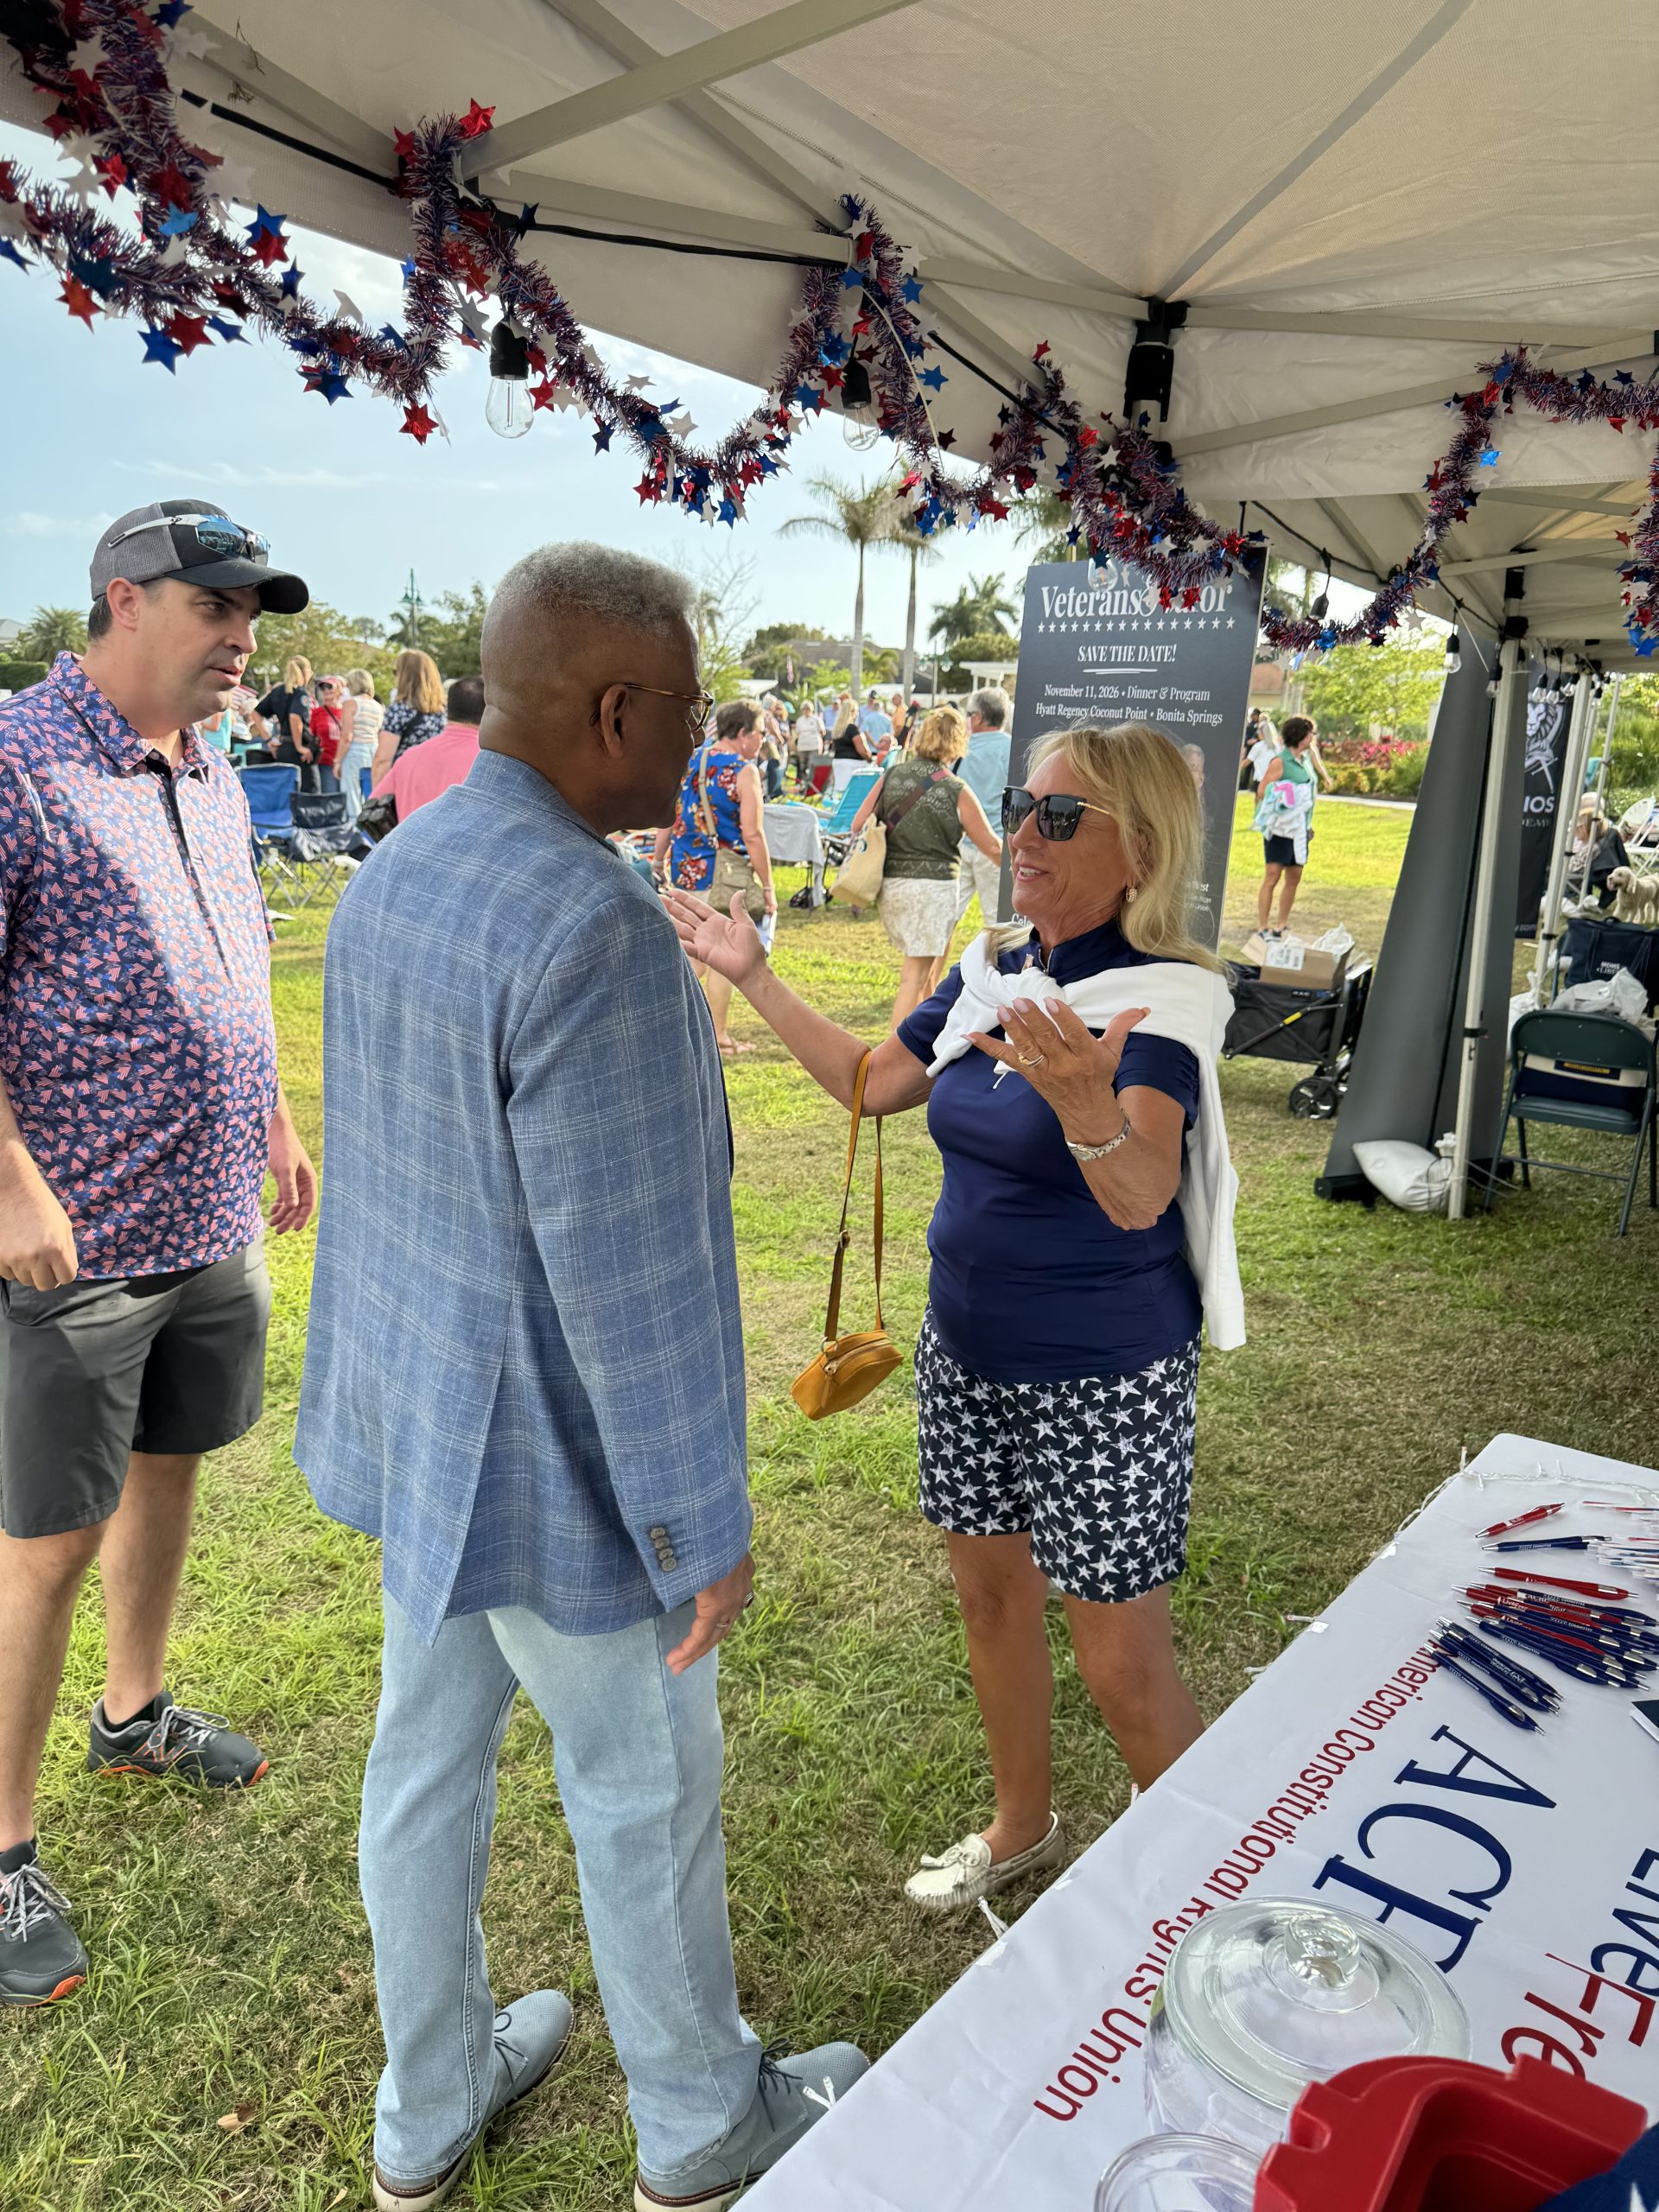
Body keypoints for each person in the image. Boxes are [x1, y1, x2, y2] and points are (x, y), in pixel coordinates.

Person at [294, 541, 865, 2212]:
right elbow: (642, 1282)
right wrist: (699, 1528)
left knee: (421, 1768)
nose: (702, 735)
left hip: (426, 1428)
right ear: (618, 710)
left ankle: (429, 2101)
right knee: (643, 1785)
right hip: (552, 1468)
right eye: (689, 705)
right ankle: (700, 2124)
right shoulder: (597, 926)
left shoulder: (400, 865)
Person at [667, 720, 1241, 1916]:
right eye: (1023, 805)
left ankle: (1215, 1909)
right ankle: (1021, 1823)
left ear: (1140, 849)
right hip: (966, 1352)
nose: (1023, 833)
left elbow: (1140, 1194)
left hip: (1102, 1376)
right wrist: (755, 974)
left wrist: (1088, 1104)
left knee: (1122, 1663)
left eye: (1060, 817)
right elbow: (874, 1081)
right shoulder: (998, 966)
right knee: (990, 1601)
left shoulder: (1163, 998)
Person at [0, 497, 318, 2008]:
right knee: (47, 1544)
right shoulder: (18, 760)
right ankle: (3, 1851)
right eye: (216, 607)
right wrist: (12, 1181)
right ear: (124, 600)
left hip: (207, 1216)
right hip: (75, 1245)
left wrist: (279, 1118)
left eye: (251, 611)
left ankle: (133, 1715)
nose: (242, 637)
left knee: (171, 1473)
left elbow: (236, 954)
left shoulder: (210, 770)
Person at [851, 705, 1002, 1031]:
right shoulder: (955, 789)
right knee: (915, 979)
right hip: (933, 891)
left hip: (892, 888)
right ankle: (896, 1049)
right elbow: (991, 846)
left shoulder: (892, 775)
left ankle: (922, 1041)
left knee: (921, 977)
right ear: (957, 742)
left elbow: (858, 823)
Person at [655, 699, 777, 1056]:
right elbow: (753, 834)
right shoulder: (744, 770)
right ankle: (719, 1036)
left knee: (692, 955)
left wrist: (658, 858)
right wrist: (769, 885)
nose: (762, 740)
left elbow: (667, 815)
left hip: (684, 869)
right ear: (742, 733)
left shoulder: (690, 760)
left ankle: (667, 1024)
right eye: (759, 733)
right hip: (723, 875)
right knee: (721, 957)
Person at [368, 674, 484, 822]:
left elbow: (375, 802)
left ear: (449, 708)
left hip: (407, 836)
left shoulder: (409, 756)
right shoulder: (487, 763)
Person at [951, 685, 1014, 933]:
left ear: (977, 717)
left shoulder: (959, 750)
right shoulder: (1012, 750)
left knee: (947, 917)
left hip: (962, 844)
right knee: (997, 923)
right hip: (996, 846)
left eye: (968, 714)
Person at [1255, 715, 1319, 936]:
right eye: (1311, 733)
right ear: (1300, 735)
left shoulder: (1306, 760)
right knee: (1272, 876)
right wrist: (1283, 796)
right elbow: (1262, 791)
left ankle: (1282, 925)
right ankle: (1263, 927)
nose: (1313, 737)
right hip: (1280, 829)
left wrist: (1308, 824)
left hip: (1300, 830)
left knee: (1294, 876)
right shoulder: (1280, 761)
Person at [375, 649, 446, 779]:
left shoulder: (399, 711)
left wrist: (377, 789)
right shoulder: (444, 712)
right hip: (435, 781)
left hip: (405, 781)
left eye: (396, 672)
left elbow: (383, 760)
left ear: (403, 675)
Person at [252, 653, 317, 791]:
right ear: (305, 672)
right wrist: (299, 746)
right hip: (298, 751)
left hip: (283, 748)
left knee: (287, 792)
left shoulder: (278, 691)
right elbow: (294, 717)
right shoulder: (301, 693)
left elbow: (256, 713)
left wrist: (268, 739)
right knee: (309, 792)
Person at [337, 669, 384, 821]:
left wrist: (337, 761)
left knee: (351, 794)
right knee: (369, 792)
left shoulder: (350, 704)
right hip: (373, 750)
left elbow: (347, 737)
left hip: (355, 750)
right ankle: (369, 826)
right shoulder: (377, 706)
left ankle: (354, 827)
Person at [309, 673, 346, 795]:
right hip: (325, 763)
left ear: (339, 690)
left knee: (348, 800)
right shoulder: (317, 712)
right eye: (322, 687)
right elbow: (312, 736)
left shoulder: (346, 711)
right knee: (330, 797)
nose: (325, 690)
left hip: (346, 761)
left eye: (329, 687)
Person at [829, 690, 871, 791]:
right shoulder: (852, 728)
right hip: (852, 764)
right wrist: (870, 757)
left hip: (838, 762)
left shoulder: (837, 729)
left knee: (841, 790)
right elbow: (861, 750)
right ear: (852, 712)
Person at [792, 696, 826, 791]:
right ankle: (803, 785)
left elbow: (822, 732)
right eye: (804, 709)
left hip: (814, 745)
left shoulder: (816, 719)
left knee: (812, 765)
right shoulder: (799, 720)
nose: (806, 711)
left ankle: (812, 785)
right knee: (803, 767)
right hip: (802, 746)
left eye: (808, 709)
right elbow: (797, 733)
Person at [1240, 708, 1275, 792]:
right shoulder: (1277, 746)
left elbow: (1247, 762)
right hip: (1274, 780)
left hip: (1261, 780)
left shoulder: (1259, 746)